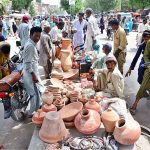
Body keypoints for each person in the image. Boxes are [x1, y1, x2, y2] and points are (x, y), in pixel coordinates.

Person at [23, 26, 42, 117]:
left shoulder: (31, 44)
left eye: (39, 36)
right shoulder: (30, 46)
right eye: (36, 36)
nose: (38, 38)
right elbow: (27, 64)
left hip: (32, 73)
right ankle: (32, 113)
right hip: (30, 74)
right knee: (33, 94)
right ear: (31, 35)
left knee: (37, 92)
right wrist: (33, 75)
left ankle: (37, 109)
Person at [130, 39, 150, 115]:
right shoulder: (149, 42)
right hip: (149, 68)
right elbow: (146, 56)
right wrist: (148, 66)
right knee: (143, 86)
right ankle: (135, 104)